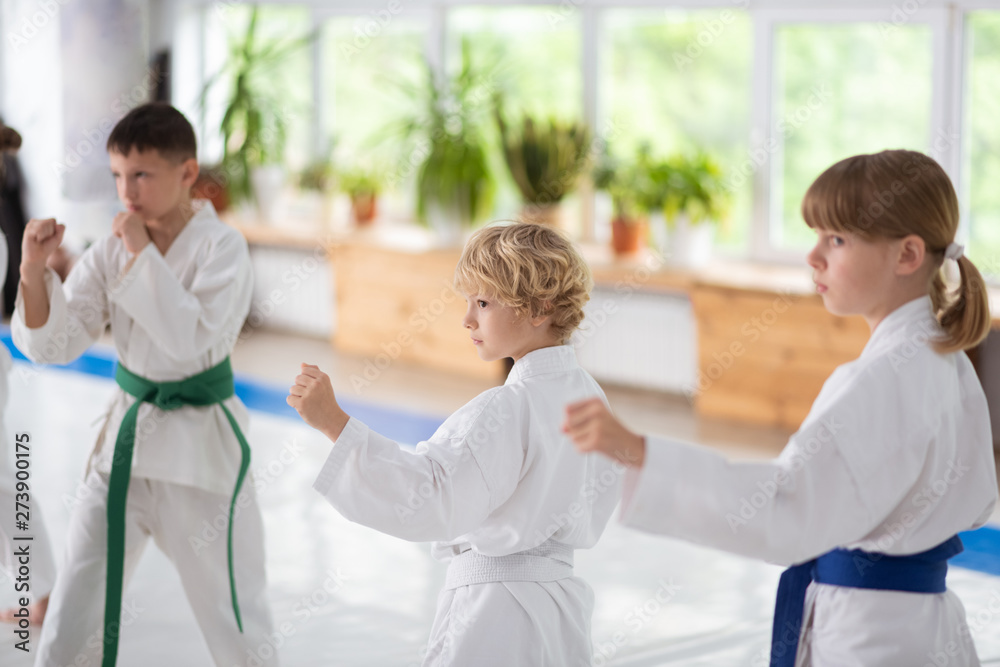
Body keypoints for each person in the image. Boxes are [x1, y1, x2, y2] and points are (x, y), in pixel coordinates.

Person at [564, 149, 998, 667]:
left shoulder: (880, 380)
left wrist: (639, 451)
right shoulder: (944, 359)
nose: (813, 257)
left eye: (836, 241)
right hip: (920, 624)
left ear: (906, 255)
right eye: (816, 237)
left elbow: (786, 510)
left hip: (872, 637)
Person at [12, 102, 279, 666]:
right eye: (116, 175)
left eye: (141, 175)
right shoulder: (109, 248)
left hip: (199, 454)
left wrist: (138, 250)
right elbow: (56, 344)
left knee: (235, 620)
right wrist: (34, 270)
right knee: (71, 616)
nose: (126, 191)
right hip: (123, 450)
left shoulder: (222, 248)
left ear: (186, 173)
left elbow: (188, 339)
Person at [289, 222, 622, 666]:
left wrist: (334, 423)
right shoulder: (591, 398)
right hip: (561, 613)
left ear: (539, 308)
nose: (467, 319)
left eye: (483, 303)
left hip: (496, 612)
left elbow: (431, 497)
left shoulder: (507, 409)